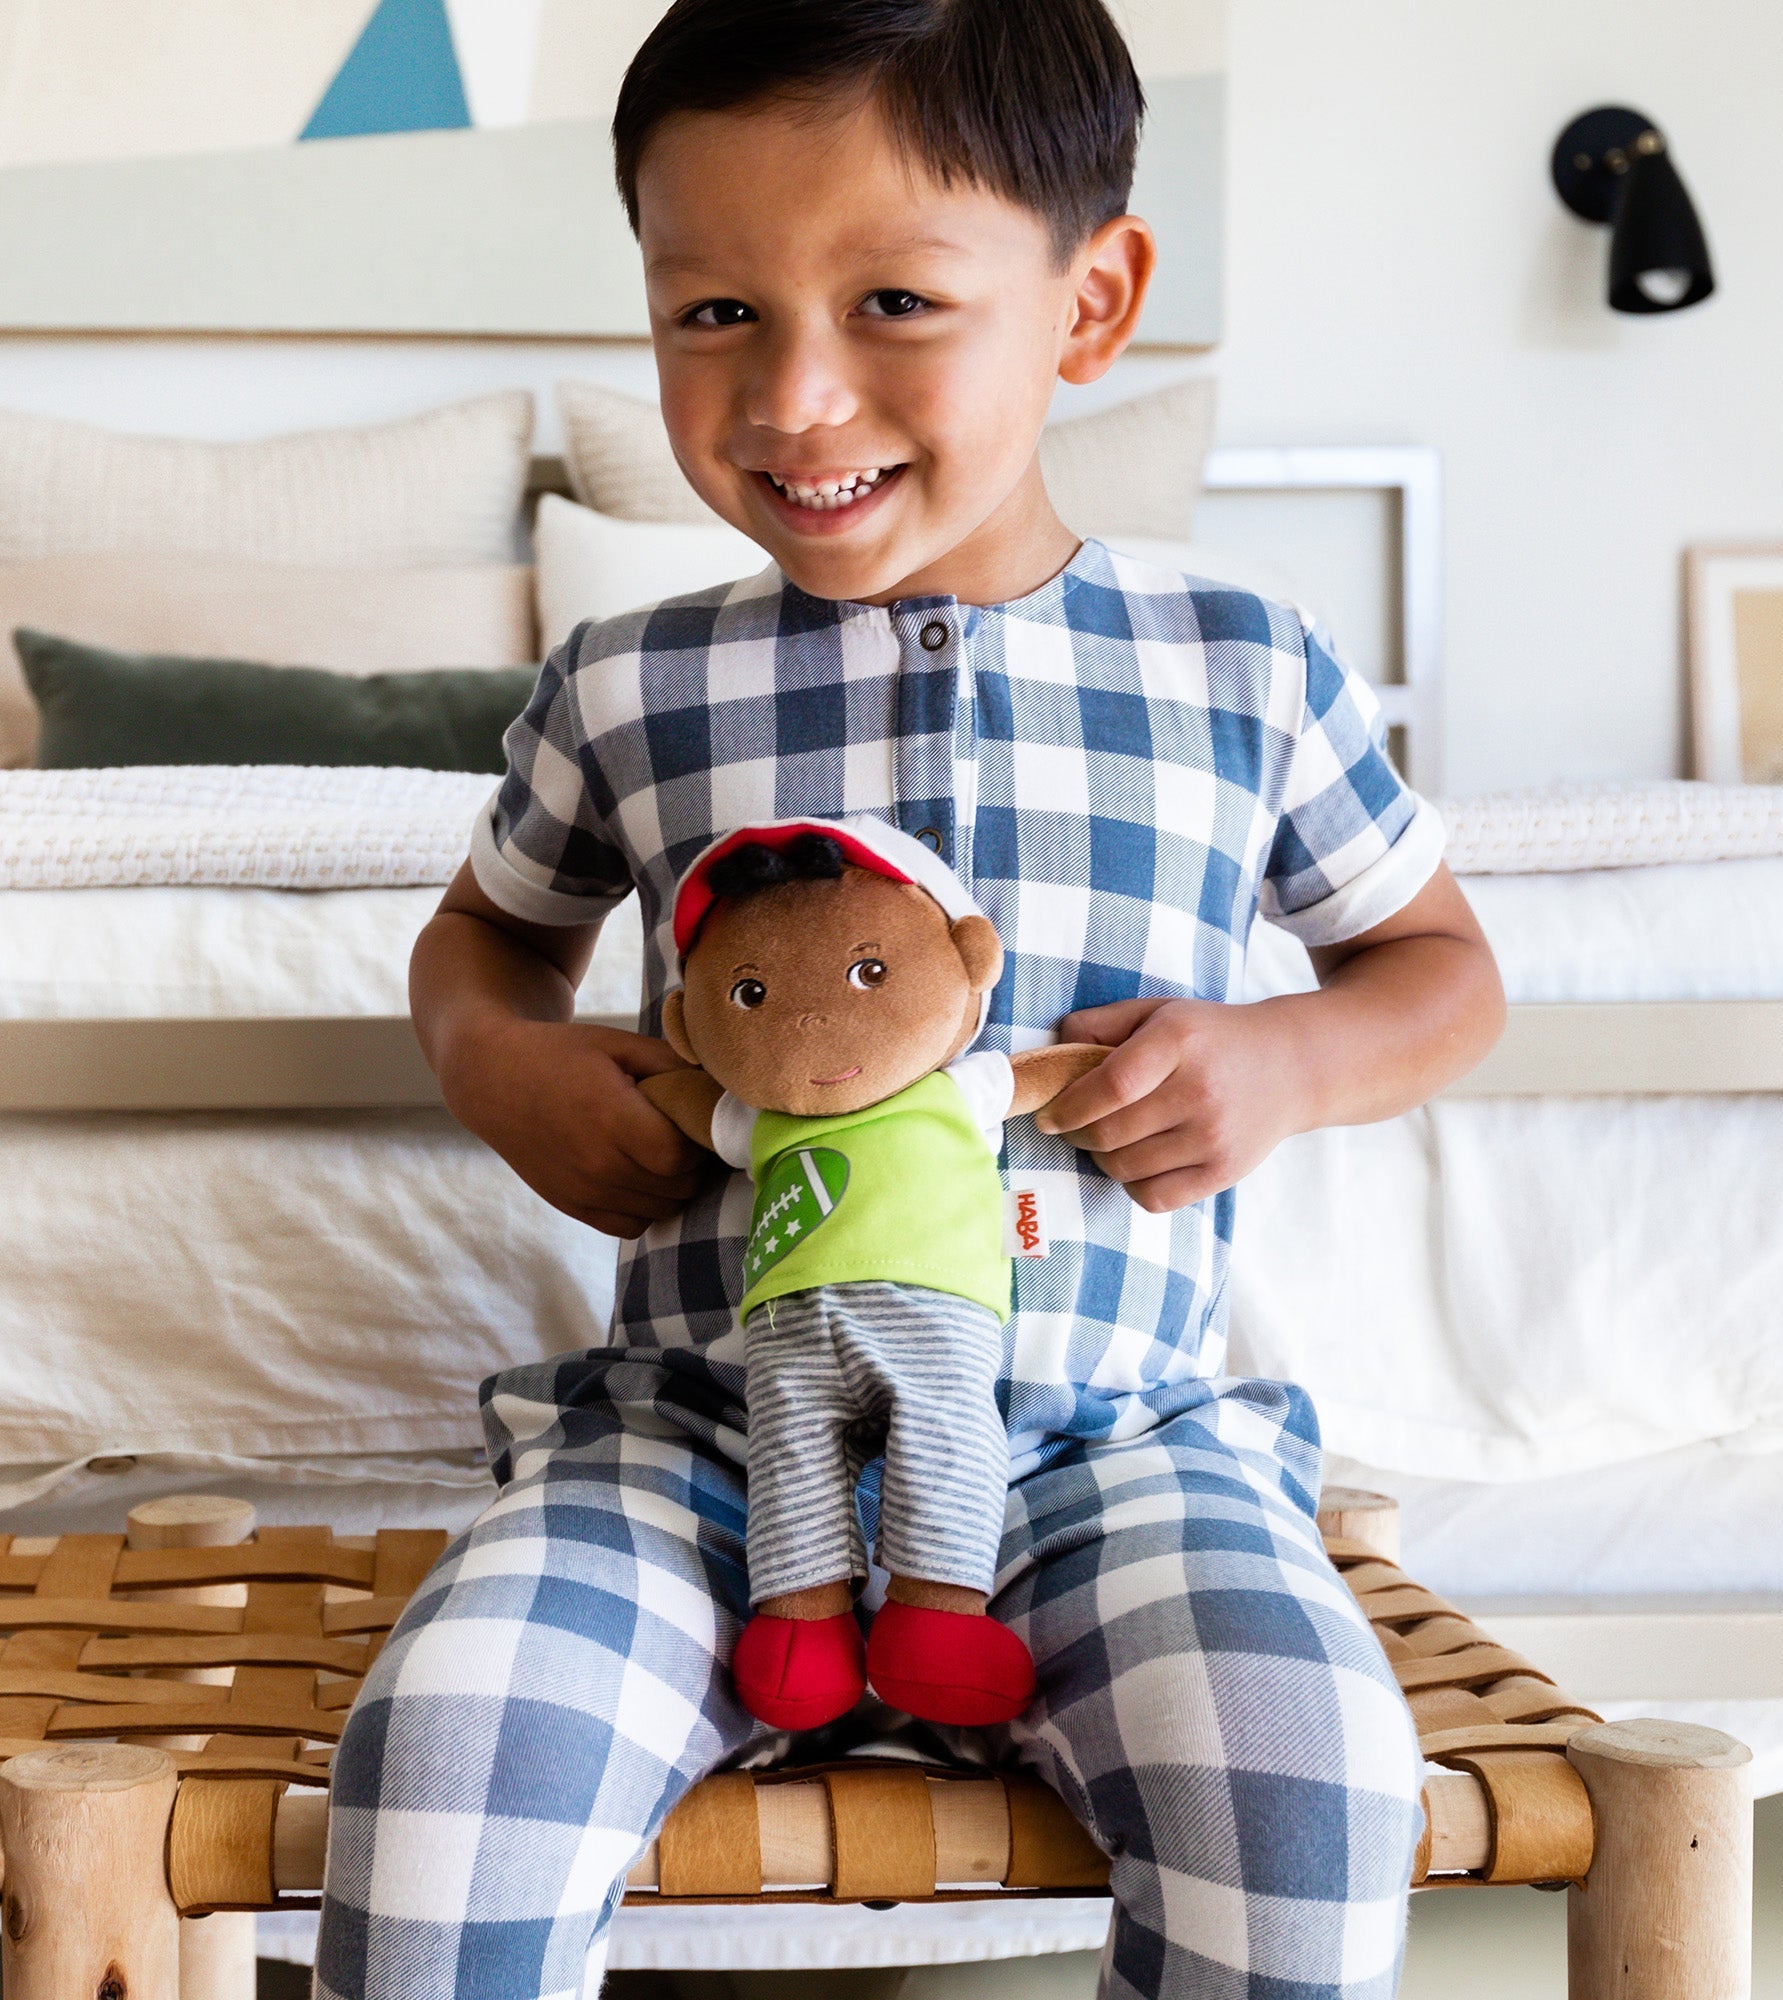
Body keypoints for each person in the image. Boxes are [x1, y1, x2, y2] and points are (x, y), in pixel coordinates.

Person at [321, 2, 1506, 1995]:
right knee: (451, 1754)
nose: (795, 397)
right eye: (712, 313)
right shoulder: (628, 681)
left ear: (1089, 302)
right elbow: (482, 939)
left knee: (1306, 1769)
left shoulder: (1243, 662)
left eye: (892, 301)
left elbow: (1443, 973)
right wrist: (494, 1056)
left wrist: (1290, 1057)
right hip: (701, 1443)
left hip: (1107, 1448)